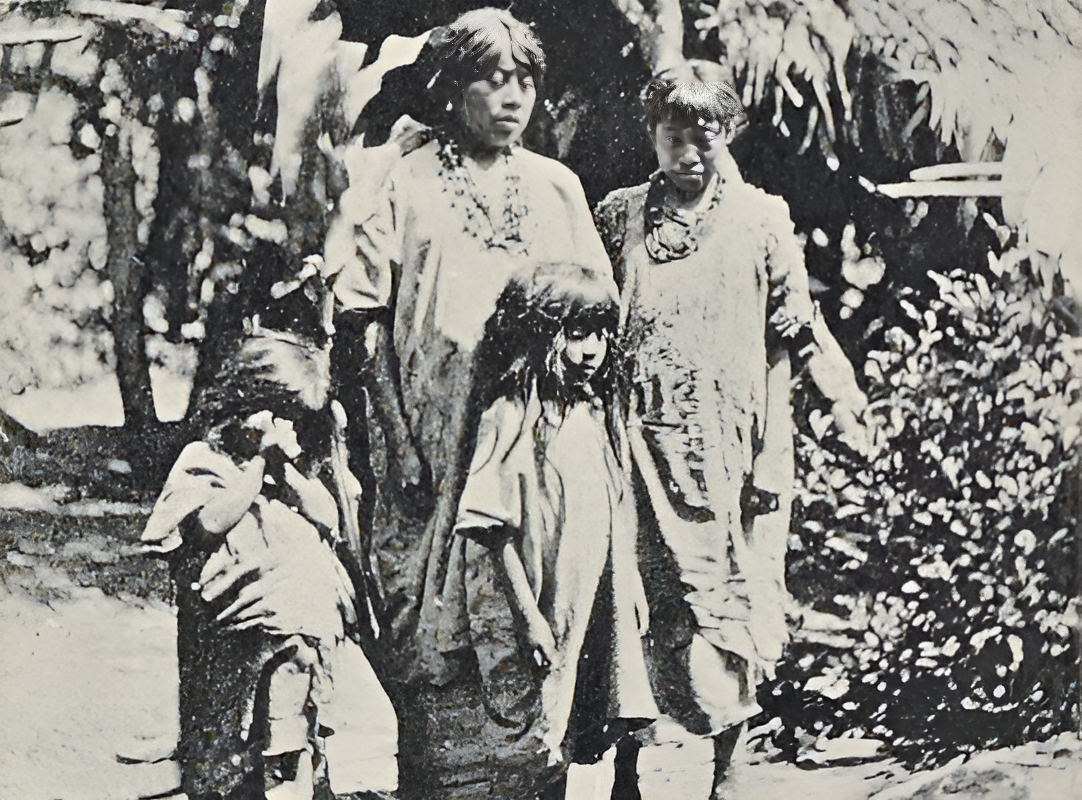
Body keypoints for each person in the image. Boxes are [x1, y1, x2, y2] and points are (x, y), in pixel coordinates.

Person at [325, 8, 611, 792]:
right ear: (453, 87)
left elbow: (597, 315)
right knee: (424, 625)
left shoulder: (558, 187)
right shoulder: (404, 180)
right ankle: (431, 780)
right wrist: (394, 436)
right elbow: (363, 323)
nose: (513, 96)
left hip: (531, 455)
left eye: (525, 80)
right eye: (493, 78)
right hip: (428, 437)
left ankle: (534, 775)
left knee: (535, 614)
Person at [594, 79, 874, 799]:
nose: (688, 152)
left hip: (729, 447)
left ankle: (727, 768)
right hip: (634, 443)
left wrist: (801, 433)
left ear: (730, 132)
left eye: (705, 134)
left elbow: (790, 336)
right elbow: (592, 322)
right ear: (651, 131)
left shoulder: (761, 219)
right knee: (636, 599)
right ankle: (629, 767)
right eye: (673, 135)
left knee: (729, 600)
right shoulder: (620, 216)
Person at [428, 262, 656, 798]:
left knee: (584, 718)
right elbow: (490, 528)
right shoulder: (510, 417)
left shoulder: (595, 413)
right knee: (536, 736)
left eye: (601, 333)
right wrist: (528, 617)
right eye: (576, 334)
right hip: (536, 603)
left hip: (588, 601)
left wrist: (631, 588)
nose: (592, 350)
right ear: (537, 333)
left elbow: (612, 507)